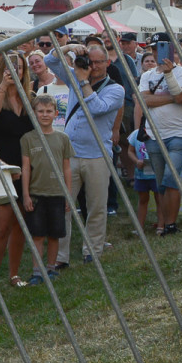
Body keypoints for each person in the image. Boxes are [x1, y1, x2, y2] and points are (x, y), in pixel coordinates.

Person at [46, 41, 124, 266]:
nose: (95, 66)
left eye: (99, 62)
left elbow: (97, 108)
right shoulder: (76, 76)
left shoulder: (115, 89)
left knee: (96, 206)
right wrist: (69, 47)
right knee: (63, 205)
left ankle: (93, 251)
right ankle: (60, 257)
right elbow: (50, 60)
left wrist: (82, 81)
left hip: (97, 155)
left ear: (108, 63)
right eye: (91, 62)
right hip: (70, 154)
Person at [0, 52, 33, 290]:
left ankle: (13, 274)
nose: (15, 72)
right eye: (10, 68)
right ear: (2, 70)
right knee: (1, 225)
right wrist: (4, 85)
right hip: (1, 165)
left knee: (20, 224)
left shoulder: (30, 98)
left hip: (26, 167)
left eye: (19, 68)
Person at [136, 34, 182, 236]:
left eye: (162, 47)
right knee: (161, 184)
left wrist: (169, 79)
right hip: (153, 135)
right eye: (154, 47)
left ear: (171, 49)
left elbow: (180, 96)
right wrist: (175, 98)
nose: (156, 51)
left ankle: (170, 225)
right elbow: (146, 102)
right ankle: (165, 223)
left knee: (171, 178)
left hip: (178, 134)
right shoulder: (146, 75)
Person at [20, 94, 73, 285]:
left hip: (57, 193)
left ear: (56, 114)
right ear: (34, 114)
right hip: (36, 194)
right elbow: (25, 168)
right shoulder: (27, 139)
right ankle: (37, 271)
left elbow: (67, 168)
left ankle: (51, 268)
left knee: (54, 233)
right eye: (40, 111)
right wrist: (26, 194)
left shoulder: (63, 138)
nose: (44, 115)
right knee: (38, 234)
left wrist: (68, 194)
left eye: (48, 111)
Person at [123, 117, 157, 230]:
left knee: (160, 199)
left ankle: (161, 225)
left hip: (156, 175)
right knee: (142, 199)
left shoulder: (160, 133)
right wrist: (137, 161)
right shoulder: (136, 134)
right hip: (141, 175)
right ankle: (140, 227)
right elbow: (130, 151)